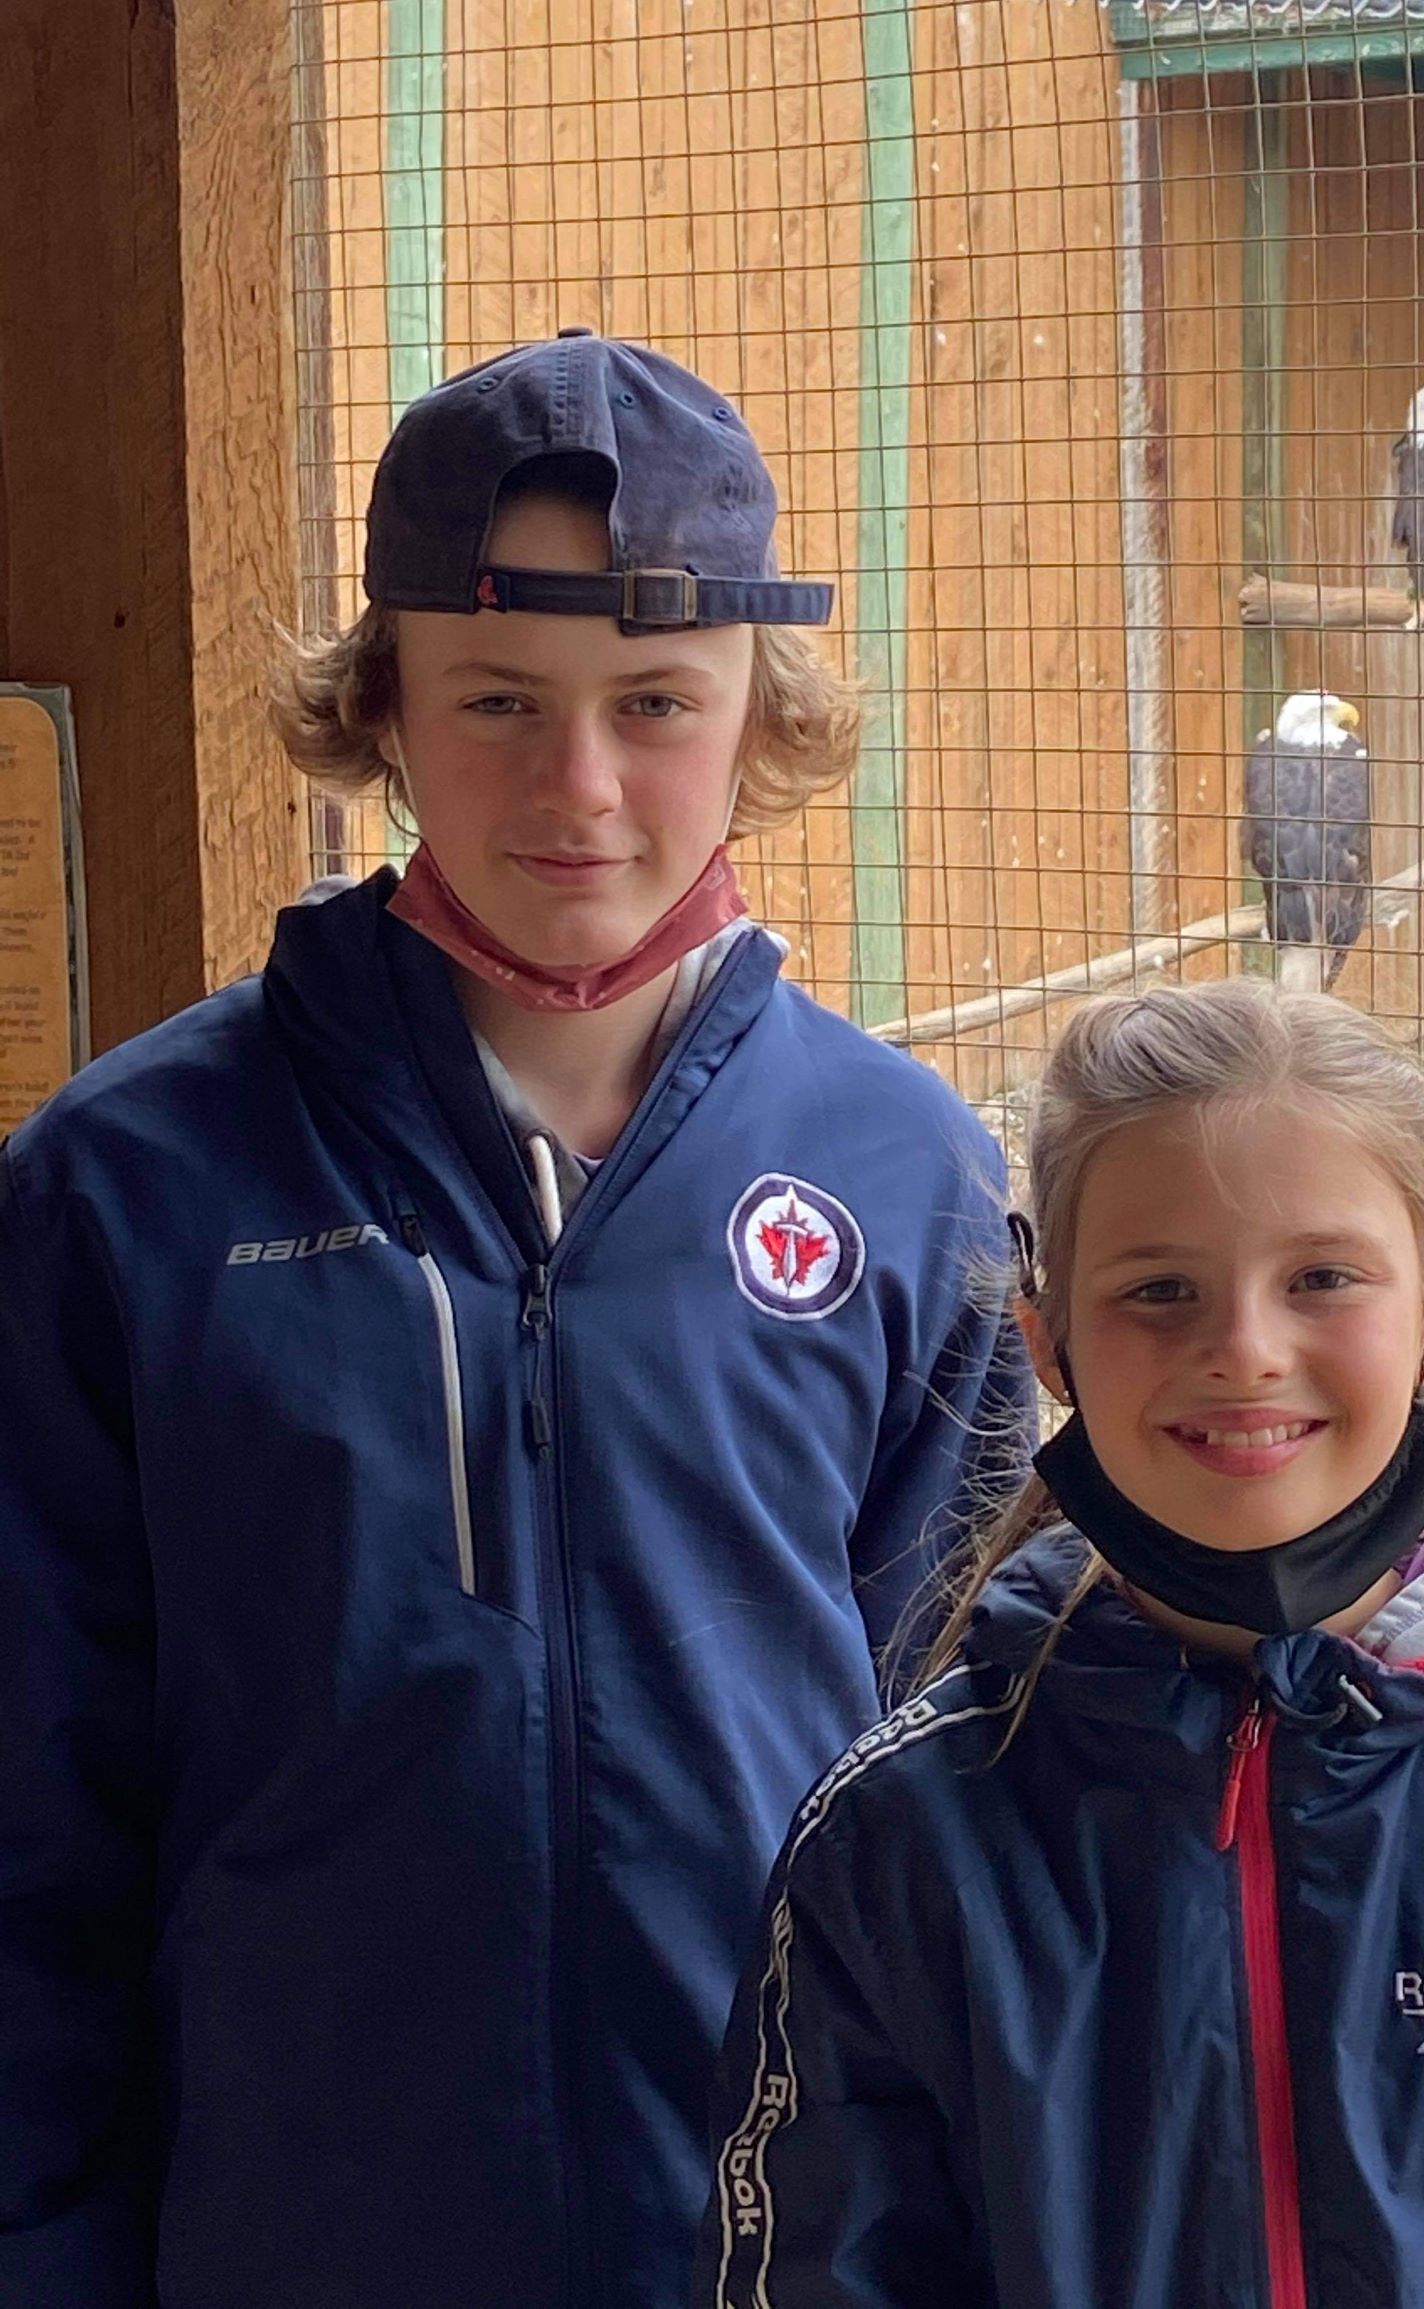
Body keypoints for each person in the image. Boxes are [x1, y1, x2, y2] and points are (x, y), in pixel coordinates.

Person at [0, 332, 1022, 2309]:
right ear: (381, 705)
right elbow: (30, 1822)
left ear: (756, 712)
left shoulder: (909, 1186)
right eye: (495, 700)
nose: (578, 786)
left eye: (654, 702)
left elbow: (977, 1817)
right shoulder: (125, 1189)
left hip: (777, 2259)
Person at [697, 977, 1424, 2309]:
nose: (1244, 1348)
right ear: (1048, 1340)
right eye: (1161, 1289)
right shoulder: (908, 1835)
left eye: (1321, 1278)